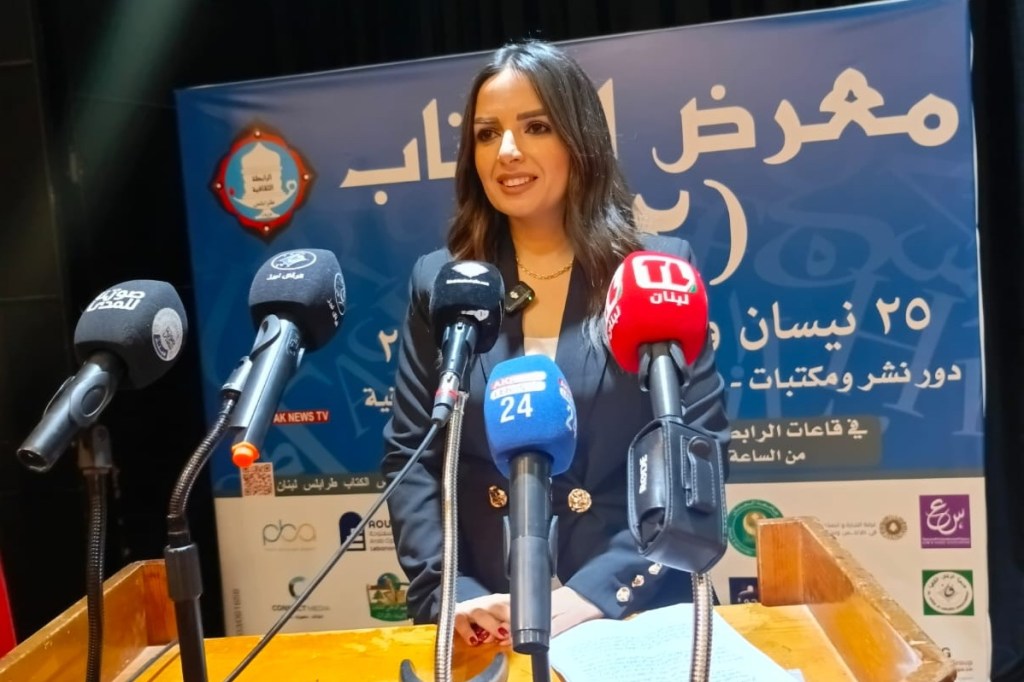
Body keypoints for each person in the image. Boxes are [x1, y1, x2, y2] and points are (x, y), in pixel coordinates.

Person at [381, 39, 729, 648]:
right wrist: (454, 594)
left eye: (535, 126)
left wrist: (596, 594)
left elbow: (697, 450)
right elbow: (413, 458)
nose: (507, 151)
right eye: (487, 134)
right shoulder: (443, 283)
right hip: (486, 619)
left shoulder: (655, 271)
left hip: (632, 613)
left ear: (579, 138)